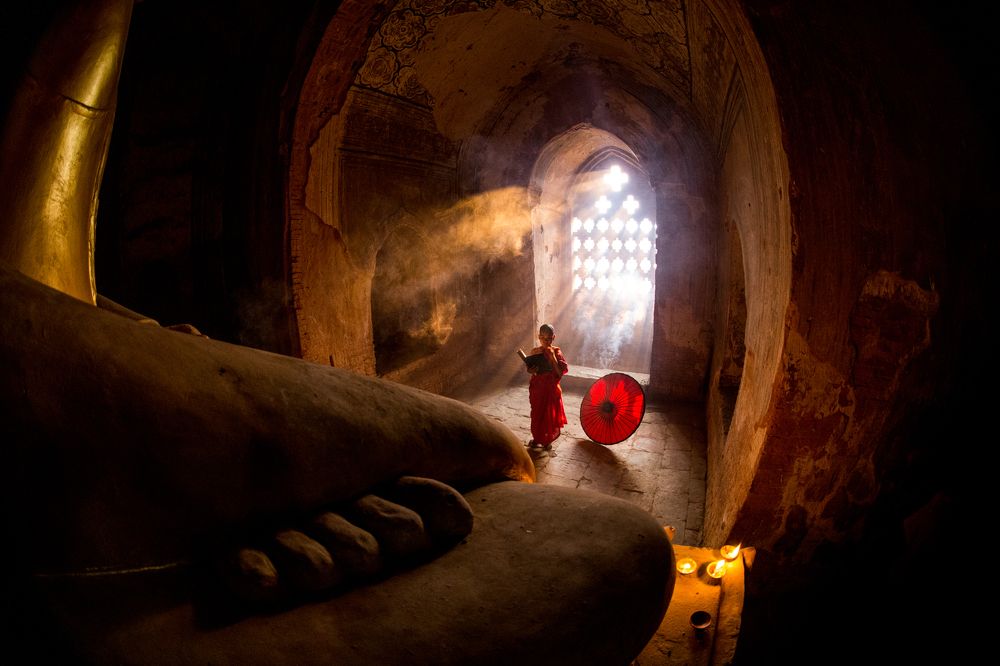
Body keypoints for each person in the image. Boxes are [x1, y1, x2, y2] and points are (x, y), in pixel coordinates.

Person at [526, 323, 569, 450]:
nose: (547, 341)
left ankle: (547, 440)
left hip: (551, 389)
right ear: (539, 337)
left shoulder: (556, 351)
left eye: (550, 338)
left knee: (549, 415)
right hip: (537, 388)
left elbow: (560, 373)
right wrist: (530, 370)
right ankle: (537, 438)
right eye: (544, 338)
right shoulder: (535, 352)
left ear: (554, 337)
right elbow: (531, 371)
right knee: (537, 414)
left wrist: (553, 358)